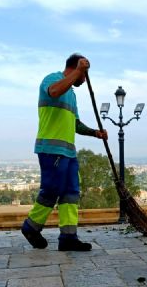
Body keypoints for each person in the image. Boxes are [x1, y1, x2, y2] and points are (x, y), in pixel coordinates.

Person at [21, 53, 107, 251]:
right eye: (84, 74)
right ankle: (31, 227)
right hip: (51, 149)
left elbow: (75, 123)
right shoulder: (52, 79)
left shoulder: (72, 94)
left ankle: (68, 237)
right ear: (76, 67)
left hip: (68, 151)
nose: (85, 79)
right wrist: (78, 71)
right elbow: (53, 92)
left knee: (71, 193)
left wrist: (95, 133)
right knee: (51, 190)